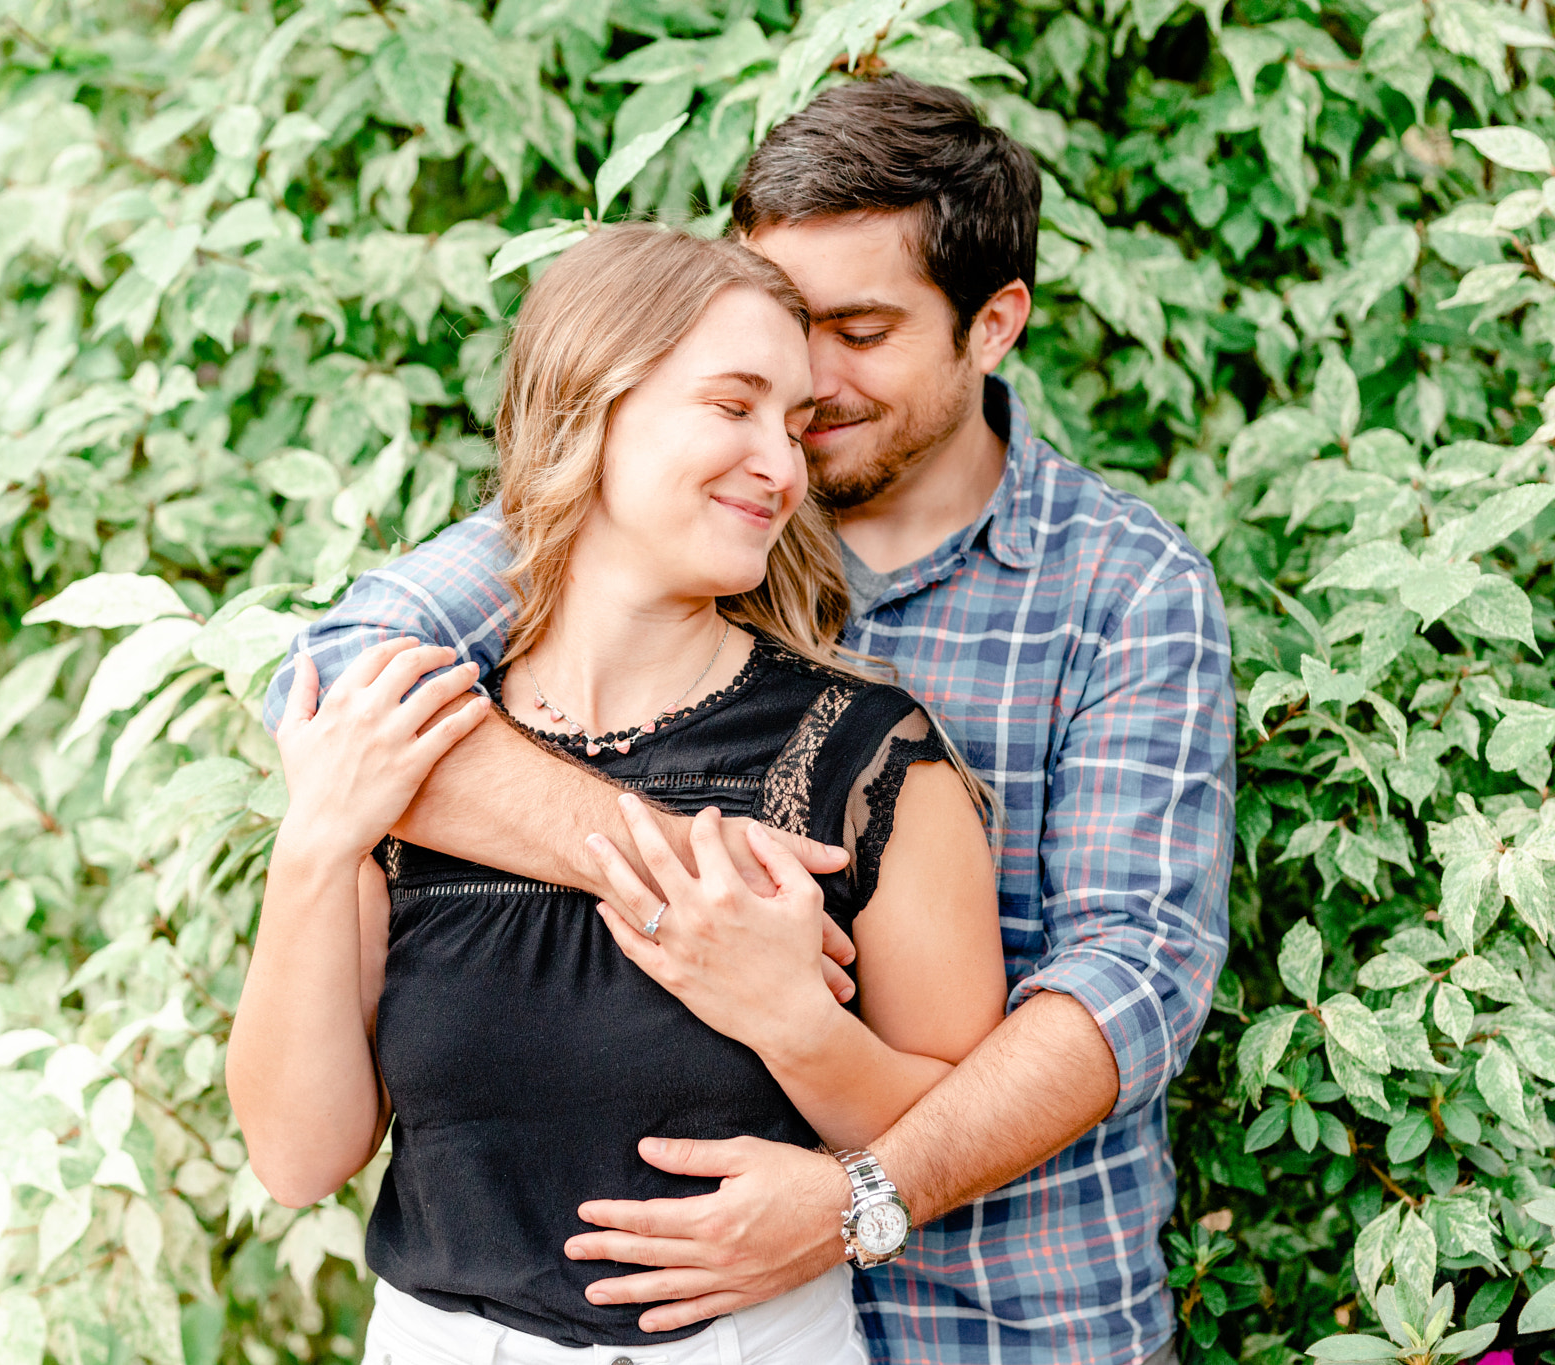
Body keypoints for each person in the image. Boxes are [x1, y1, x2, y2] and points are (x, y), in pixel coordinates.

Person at [261, 75, 1236, 1365]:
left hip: (1001, 1318)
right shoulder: (639, 518)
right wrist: (703, 871)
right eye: (770, 343)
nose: (808, 392)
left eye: (860, 330)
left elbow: (1133, 976)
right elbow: (333, 686)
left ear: (992, 324)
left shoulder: (1120, 589)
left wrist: (854, 1198)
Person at [227, 225, 1007, 1365]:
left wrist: (788, 1020)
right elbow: (298, 1160)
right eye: (732, 406)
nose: (782, 466)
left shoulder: (866, 758)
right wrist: (313, 850)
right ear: (591, 403)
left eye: (792, 427)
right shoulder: (418, 751)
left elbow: (954, 1126)